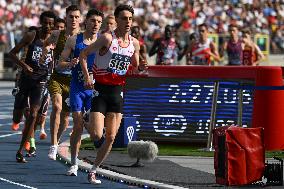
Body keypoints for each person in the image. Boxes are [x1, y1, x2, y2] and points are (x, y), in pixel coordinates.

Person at [79, 4, 147, 184]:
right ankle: (88, 121)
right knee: (96, 135)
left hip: (117, 93)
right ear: (116, 20)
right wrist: (87, 76)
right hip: (100, 91)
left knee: (110, 138)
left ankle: (93, 170)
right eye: (124, 18)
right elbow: (84, 55)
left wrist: (141, 68)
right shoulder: (107, 38)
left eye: (130, 19)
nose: (128, 22)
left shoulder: (134, 43)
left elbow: (135, 66)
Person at [58, 8, 103, 176]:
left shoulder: (103, 41)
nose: (96, 24)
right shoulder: (73, 40)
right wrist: (70, 64)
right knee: (77, 126)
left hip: (95, 91)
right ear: (86, 22)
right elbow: (59, 64)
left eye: (99, 22)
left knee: (95, 133)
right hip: (77, 88)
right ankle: (74, 163)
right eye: (93, 21)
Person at [8, 10, 56, 163]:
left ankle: (21, 150)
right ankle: (16, 122)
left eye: (51, 24)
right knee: (18, 115)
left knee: (34, 115)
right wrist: (24, 66)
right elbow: (12, 53)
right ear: (41, 23)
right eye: (45, 23)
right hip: (25, 80)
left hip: (40, 82)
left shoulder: (56, 39)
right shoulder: (32, 36)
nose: (48, 26)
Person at [44, 5, 81, 160]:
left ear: (80, 19)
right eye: (70, 16)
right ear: (65, 18)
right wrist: (46, 52)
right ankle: (53, 145)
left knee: (65, 120)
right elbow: (45, 44)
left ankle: (57, 141)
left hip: (73, 81)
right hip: (57, 78)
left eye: (76, 17)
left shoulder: (83, 37)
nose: (73, 19)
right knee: (57, 107)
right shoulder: (56, 34)